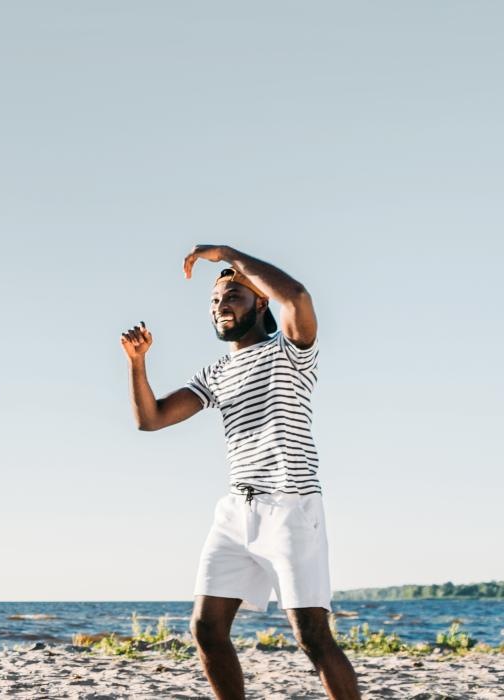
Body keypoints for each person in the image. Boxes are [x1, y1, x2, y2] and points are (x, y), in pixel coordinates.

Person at [118, 245, 358, 699]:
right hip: (235, 512)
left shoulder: (290, 353)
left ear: (259, 302)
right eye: (214, 302)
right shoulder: (216, 372)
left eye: (232, 297)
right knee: (206, 629)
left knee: (312, 636)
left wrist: (228, 254)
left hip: (291, 506)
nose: (220, 307)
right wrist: (137, 363)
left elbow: (299, 297)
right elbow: (150, 418)